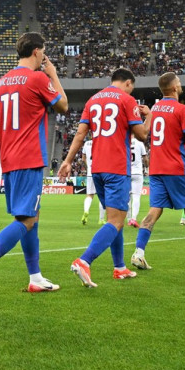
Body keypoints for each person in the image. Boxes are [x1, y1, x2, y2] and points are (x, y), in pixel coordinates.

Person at [0, 32, 68, 299]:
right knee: (26, 219)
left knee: (33, 217)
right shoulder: (39, 78)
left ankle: (35, 277)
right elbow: (63, 105)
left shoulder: (1, 82)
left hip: (10, 161)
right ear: (37, 52)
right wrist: (53, 74)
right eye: (43, 53)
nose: (44, 57)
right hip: (30, 158)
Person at [59, 68, 148, 287]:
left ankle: (119, 268)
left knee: (112, 219)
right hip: (117, 167)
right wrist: (151, 115)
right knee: (117, 220)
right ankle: (84, 260)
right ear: (128, 83)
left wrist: (68, 161)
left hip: (96, 168)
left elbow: (80, 134)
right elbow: (142, 135)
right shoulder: (127, 100)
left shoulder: (93, 100)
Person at [131, 72, 185, 268]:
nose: (180, 83)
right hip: (176, 166)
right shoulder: (182, 109)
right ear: (175, 88)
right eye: (178, 81)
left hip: (157, 168)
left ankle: (139, 252)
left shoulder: (155, 108)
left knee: (154, 209)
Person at [78, 138, 105, 226]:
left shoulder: (87, 143)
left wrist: (89, 166)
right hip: (101, 171)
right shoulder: (102, 141)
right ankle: (101, 219)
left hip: (91, 172)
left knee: (89, 195)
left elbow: (83, 158)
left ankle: (86, 211)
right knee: (103, 195)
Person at [128, 136, 148, 228]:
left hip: (127, 173)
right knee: (136, 197)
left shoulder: (126, 143)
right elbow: (145, 158)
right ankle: (133, 218)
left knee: (127, 197)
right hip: (137, 173)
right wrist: (146, 169)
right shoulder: (140, 143)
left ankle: (128, 219)